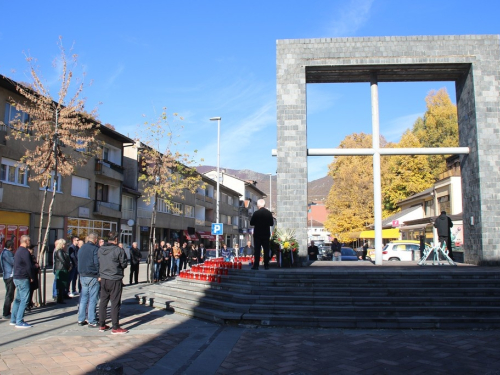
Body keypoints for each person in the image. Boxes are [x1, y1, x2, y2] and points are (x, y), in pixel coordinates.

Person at [97, 231, 128, 334]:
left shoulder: (101, 249)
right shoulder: (118, 250)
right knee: (115, 303)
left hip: (104, 278)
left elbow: (98, 262)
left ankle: (101, 324)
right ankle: (115, 327)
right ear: (116, 240)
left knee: (103, 301)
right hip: (114, 278)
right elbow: (124, 264)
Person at [10, 235, 34, 328]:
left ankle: (13, 319)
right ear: (26, 241)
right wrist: (31, 276)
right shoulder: (25, 252)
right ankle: (19, 321)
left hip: (17, 277)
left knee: (18, 299)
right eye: (29, 240)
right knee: (24, 299)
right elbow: (28, 266)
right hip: (23, 277)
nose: (30, 242)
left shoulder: (18, 251)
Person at [77, 232, 100, 327]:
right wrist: (99, 274)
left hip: (82, 275)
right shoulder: (95, 249)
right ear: (95, 240)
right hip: (92, 275)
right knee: (92, 299)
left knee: (83, 298)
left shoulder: (82, 248)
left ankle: (81, 319)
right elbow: (96, 262)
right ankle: (92, 320)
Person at [250, 199, 274, 270]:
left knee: (257, 250)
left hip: (257, 234)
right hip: (266, 234)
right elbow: (271, 223)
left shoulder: (256, 213)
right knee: (266, 250)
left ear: (258, 205)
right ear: (264, 205)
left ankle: (256, 265)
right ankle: (266, 265)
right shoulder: (269, 213)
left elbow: (251, 223)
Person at [1, 240, 15, 319]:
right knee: (9, 295)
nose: (13, 247)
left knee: (9, 294)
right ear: (10, 246)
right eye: (12, 246)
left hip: (7, 275)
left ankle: (7, 311)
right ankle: (6, 312)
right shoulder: (7, 253)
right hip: (9, 276)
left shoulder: (4, 252)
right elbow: (14, 262)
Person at [54, 239, 71, 304]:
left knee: (63, 284)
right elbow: (63, 260)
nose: (65, 245)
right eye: (64, 244)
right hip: (61, 269)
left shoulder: (62, 251)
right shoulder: (59, 251)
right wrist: (68, 266)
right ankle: (59, 298)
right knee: (60, 285)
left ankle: (61, 297)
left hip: (63, 269)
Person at [27, 244, 40, 310]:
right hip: (30, 276)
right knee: (29, 291)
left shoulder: (32, 256)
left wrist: (37, 266)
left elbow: (36, 265)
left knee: (31, 291)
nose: (33, 251)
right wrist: (35, 266)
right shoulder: (28, 257)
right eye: (32, 249)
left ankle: (30, 302)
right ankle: (28, 304)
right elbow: (30, 266)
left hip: (34, 275)